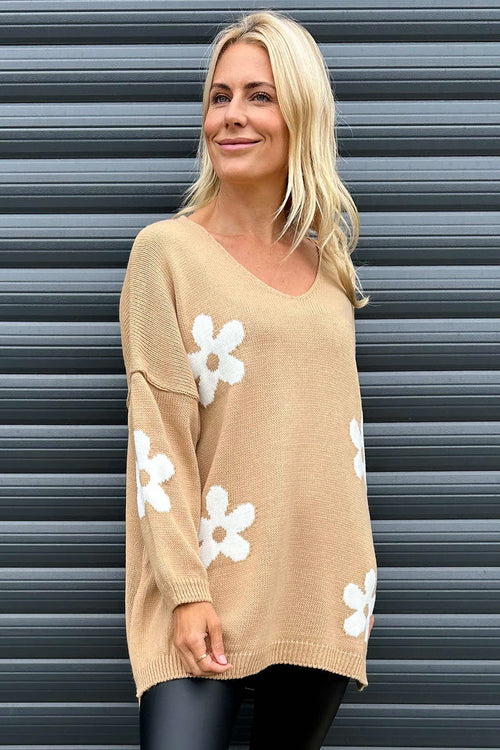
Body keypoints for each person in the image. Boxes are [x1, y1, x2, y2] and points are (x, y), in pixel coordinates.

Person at [119, 9, 377, 749]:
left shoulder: (328, 266)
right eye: (220, 96)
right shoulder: (167, 252)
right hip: (202, 588)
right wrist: (186, 591)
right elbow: (158, 440)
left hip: (321, 586)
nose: (231, 116)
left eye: (260, 96)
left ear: (301, 114)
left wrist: (355, 573)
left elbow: (335, 437)